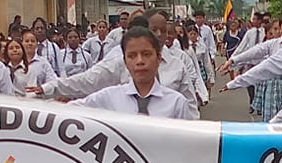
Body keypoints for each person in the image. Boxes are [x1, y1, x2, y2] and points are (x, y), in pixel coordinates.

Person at [63, 26, 196, 118]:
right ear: (125, 62)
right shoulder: (108, 98)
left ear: (159, 58)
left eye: (146, 54)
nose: (140, 61)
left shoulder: (176, 103)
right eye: (132, 56)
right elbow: (65, 112)